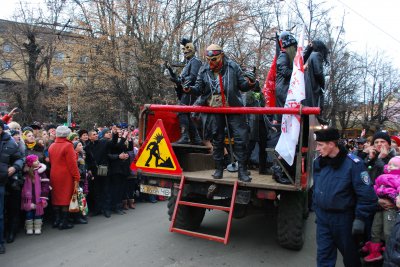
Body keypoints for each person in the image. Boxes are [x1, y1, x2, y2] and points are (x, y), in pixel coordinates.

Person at [183, 44, 255, 182]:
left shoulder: (232, 67)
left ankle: (242, 171)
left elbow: (242, 86)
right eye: (208, 59)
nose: (211, 62)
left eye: (214, 59)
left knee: (241, 138)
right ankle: (218, 168)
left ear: (221, 56)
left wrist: (251, 82)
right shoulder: (204, 69)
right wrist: (188, 89)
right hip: (214, 108)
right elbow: (198, 88)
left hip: (233, 106)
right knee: (217, 138)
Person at [312, 128, 377, 267]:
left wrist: (360, 219)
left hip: (344, 220)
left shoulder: (354, 164)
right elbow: (317, 188)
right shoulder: (319, 162)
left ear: (331, 144)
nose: (317, 148)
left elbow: (367, 195)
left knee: (351, 259)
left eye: (320, 145)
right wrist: (317, 208)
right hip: (323, 219)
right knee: (323, 257)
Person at [165, 38, 203, 145]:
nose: (185, 52)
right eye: (184, 50)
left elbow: (193, 77)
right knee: (185, 113)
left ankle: (186, 136)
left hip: (191, 91)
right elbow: (182, 78)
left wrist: (180, 81)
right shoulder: (189, 63)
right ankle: (195, 138)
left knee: (182, 112)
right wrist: (171, 72)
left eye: (187, 50)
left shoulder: (195, 62)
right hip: (186, 91)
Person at [362, 156, 400, 262]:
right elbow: (375, 186)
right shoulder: (382, 176)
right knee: (375, 228)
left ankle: (390, 252)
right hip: (379, 206)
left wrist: (395, 200)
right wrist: (375, 197)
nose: (391, 166)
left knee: (388, 231)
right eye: (390, 164)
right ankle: (375, 251)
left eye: (395, 165)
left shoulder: (398, 178)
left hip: (391, 208)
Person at [48, 126, 80, 230]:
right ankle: (64, 222)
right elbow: (72, 164)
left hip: (54, 174)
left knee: (56, 198)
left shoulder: (52, 145)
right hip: (65, 175)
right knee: (65, 198)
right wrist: (77, 176)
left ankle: (57, 221)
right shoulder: (67, 146)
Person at [0, 120, 24, 254]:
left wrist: (15, 167)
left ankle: (3, 239)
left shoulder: (10, 143)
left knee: (3, 213)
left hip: (6, 181)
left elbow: (19, 158)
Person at [21, 155, 50, 235]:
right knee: (29, 212)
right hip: (29, 196)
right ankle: (29, 227)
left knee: (38, 212)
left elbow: (45, 184)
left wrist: (44, 195)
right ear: (30, 163)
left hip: (39, 196)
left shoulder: (41, 172)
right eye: (35, 161)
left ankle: (37, 227)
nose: (38, 162)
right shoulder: (26, 173)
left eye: (38, 160)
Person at [303, 40, 329, 125]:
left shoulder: (310, 56)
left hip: (307, 86)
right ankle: (318, 116)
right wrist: (323, 84)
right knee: (315, 105)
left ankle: (318, 117)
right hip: (312, 86)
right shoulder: (316, 55)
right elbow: (318, 72)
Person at [274, 31, 297, 123]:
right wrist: (298, 71)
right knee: (284, 118)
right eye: (294, 47)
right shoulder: (283, 56)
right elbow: (284, 72)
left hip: (285, 88)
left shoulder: (285, 56)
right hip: (283, 89)